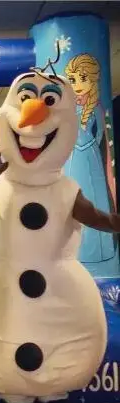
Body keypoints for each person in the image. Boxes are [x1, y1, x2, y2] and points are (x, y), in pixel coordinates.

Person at [65, 54, 116, 263]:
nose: (77, 85)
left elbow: (101, 134)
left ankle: (98, 250)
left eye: (82, 78)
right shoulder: (67, 109)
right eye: (72, 79)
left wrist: (90, 146)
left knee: (94, 199)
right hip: (73, 158)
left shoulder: (97, 109)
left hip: (90, 158)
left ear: (92, 79)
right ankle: (74, 250)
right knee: (72, 198)